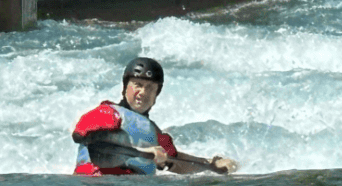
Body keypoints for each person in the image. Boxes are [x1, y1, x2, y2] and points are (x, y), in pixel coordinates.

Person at [72, 57, 237, 176]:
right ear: (125, 87)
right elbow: (84, 137)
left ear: (157, 94)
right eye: (138, 85)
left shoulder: (155, 133)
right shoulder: (107, 113)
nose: (143, 92)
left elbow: (175, 161)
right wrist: (142, 152)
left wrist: (211, 165)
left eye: (151, 88)